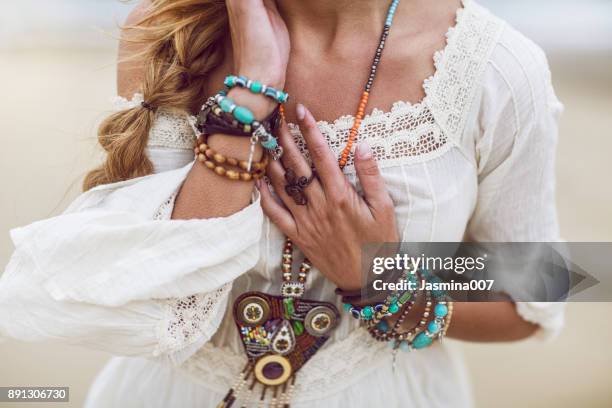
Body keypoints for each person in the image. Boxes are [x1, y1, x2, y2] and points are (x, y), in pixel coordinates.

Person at [0, 0, 566, 406]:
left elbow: (532, 292)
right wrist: (246, 98)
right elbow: (158, 294)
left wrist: (379, 277)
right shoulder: (169, 31)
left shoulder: (496, 69)